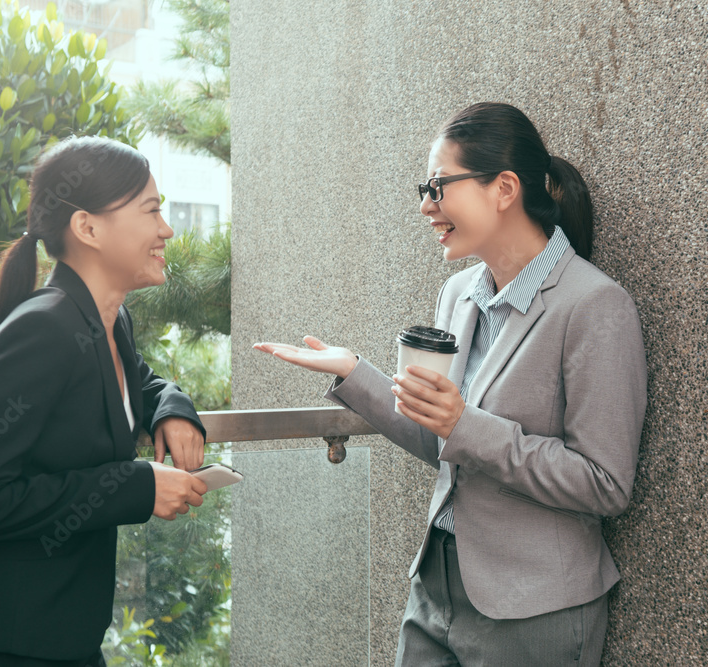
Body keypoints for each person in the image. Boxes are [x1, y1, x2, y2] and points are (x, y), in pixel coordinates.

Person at [254, 102, 647, 665]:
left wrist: (467, 426)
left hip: (535, 611)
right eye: (425, 187)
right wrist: (352, 372)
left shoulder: (594, 305)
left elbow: (605, 483)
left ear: (504, 188)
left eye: (439, 187)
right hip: (435, 585)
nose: (425, 206)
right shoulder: (459, 292)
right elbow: (444, 443)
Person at [0, 136, 210, 665]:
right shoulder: (43, 331)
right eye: (151, 211)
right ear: (89, 228)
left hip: (67, 643)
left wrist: (172, 407)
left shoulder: (106, 318)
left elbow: (137, 384)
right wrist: (136, 486)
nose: (166, 229)